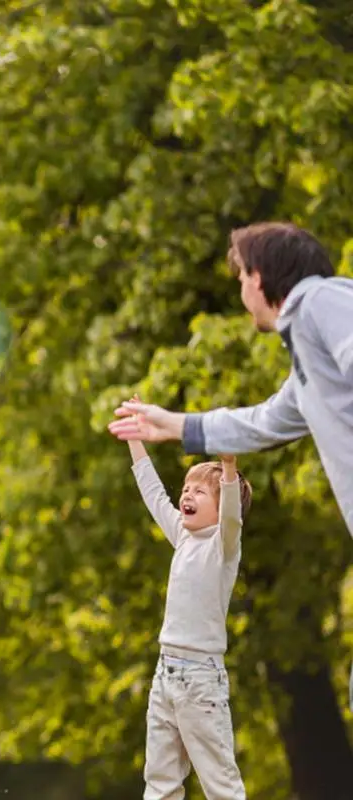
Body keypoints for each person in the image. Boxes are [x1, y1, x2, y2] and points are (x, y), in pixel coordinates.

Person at [107, 221, 353, 709]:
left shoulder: (322, 301)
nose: (240, 288)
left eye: (241, 276)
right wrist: (175, 426)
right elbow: (263, 422)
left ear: (260, 277)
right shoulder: (306, 350)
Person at [123, 394, 252, 799]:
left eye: (200, 491)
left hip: (201, 680)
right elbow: (154, 495)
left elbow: (231, 515)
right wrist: (136, 440)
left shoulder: (224, 545)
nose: (188, 495)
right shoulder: (182, 535)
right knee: (159, 781)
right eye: (187, 488)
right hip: (165, 674)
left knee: (220, 784)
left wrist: (228, 468)